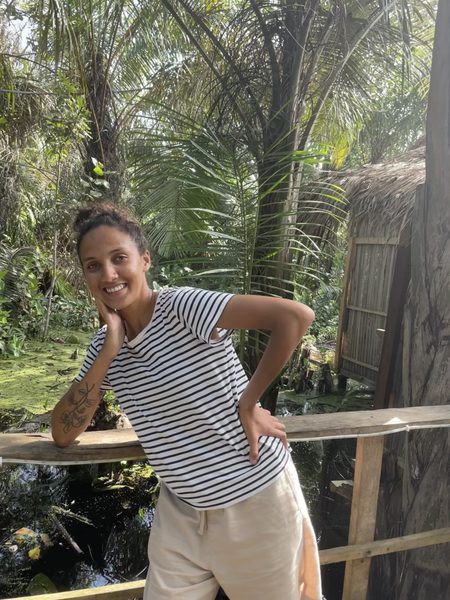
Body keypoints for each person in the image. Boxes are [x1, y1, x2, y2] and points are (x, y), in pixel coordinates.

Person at [51, 203, 322, 600]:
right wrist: (111, 346)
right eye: (93, 265)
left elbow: (295, 317)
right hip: (182, 508)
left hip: (254, 497)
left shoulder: (182, 307)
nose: (108, 274)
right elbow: (62, 433)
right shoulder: (103, 349)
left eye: (119, 258)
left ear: (144, 260)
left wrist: (249, 401)